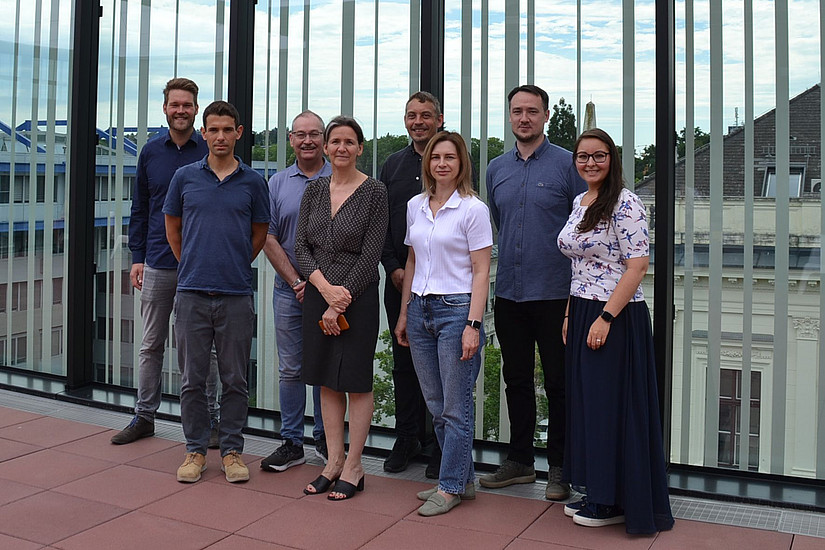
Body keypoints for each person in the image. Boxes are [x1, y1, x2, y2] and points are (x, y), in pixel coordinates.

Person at [557, 128, 674, 533]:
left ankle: (613, 501)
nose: (590, 163)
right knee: (589, 406)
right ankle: (598, 489)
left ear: (612, 159)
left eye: (599, 156)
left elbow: (637, 266)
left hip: (616, 315)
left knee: (608, 408)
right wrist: (571, 314)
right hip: (583, 309)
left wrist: (606, 318)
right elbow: (579, 266)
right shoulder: (581, 201)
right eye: (583, 156)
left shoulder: (626, 203)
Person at [482, 84, 585, 500]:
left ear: (545, 116)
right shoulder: (495, 169)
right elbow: (500, 222)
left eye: (532, 111)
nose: (524, 118)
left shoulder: (567, 165)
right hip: (510, 293)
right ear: (510, 116)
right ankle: (520, 461)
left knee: (559, 383)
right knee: (516, 380)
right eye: (517, 111)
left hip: (556, 294)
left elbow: (582, 226)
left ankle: (560, 468)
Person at [163, 100, 270, 483]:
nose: (220, 136)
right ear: (203, 132)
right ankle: (194, 450)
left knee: (235, 379)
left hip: (235, 294)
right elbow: (173, 228)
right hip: (191, 292)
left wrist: (234, 262)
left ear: (238, 133)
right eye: (214, 130)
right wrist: (194, 262)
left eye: (228, 129)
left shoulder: (253, 182)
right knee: (192, 379)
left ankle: (232, 452)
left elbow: (259, 234)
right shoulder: (184, 178)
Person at [115, 77, 221, 448]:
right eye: (175, 104)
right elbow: (140, 207)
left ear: (196, 109)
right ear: (165, 108)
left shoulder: (208, 150)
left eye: (187, 105)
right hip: (158, 262)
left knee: (204, 349)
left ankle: (211, 420)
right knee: (150, 344)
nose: (180, 110)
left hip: (199, 264)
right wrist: (137, 257)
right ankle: (144, 416)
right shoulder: (150, 152)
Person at [394, 132, 492, 517]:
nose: (442, 164)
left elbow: (481, 272)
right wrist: (405, 313)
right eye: (436, 157)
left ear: (461, 163)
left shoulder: (472, 210)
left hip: (457, 311)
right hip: (420, 309)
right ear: (427, 163)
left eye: (450, 157)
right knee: (436, 406)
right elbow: (412, 260)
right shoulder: (415, 206)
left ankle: (449, 486)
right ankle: (463, 480)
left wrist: (473, 324)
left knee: (455, 407)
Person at [295, 116, 388, 501]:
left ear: (360, 148)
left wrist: (341, 299)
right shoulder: (314, 190)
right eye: (335, 141)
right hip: (319, 295)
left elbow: (371, 254)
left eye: (349, 142)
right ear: (326, 147)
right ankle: (333, 463)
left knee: (355, 380)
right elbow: (301, 246)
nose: (341, 148)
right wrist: (324, 290)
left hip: (358, 298)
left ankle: (354, 465)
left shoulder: (375, 191)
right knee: (325, 380)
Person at [260, 111, 331, 471]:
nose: (307, 141)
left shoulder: (341, 178)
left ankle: (326, 440)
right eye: (300, 135)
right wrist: (297, 282)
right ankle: (292, 442)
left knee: (325, 367)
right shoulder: (276, 183)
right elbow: (267, 237)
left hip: (331, 292)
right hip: (290, 290)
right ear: (290, 139)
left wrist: (321, 286)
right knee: (290, 368)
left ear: (324, 139)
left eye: (314, 134)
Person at [380, 91, 444, 476]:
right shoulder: (392, 164)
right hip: (400, 281)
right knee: (403, 362)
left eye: (425, 115)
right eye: (411, 116)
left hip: (444, 285)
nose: (418, 122)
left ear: (439, 119)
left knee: (441, 366)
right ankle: (407, 437)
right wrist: (392, 267)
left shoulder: (451, 160)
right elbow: (382, 223)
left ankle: (441, 444)